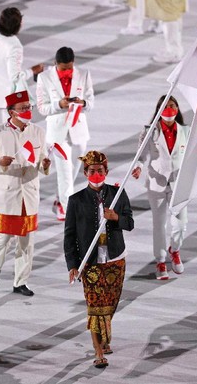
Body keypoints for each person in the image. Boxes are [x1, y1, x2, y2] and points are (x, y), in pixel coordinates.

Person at [64, 150, 134, 368]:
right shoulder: (75, 200)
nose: (96, 174)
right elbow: (70, 235)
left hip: (115, 258)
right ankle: (98, 351)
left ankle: (104, 338)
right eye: (92, 171)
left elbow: (130, 223)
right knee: (96, 307)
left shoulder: (118, 193)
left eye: (100, 170)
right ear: (85, 173)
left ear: (106, 171)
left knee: (110, 304)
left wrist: (116, 218)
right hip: (90, 261)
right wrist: (73, 265)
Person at [0, 91, 50, 297]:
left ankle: (20, 282)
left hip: (28, 194)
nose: (28, 111)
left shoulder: (38, 132)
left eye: (29, 107)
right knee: (3, 238)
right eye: (23, 108)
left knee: (27, 242)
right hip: (7, 194)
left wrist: (45, 165)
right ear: (11, 112)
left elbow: (42, 159)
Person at [132, 95, 188, 279]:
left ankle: (175, 249)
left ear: (178, 109)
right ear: (158, 110)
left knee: (180, 224)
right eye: (165, 106)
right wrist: (139, 168)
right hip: (157, 184)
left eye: (172, 105)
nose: (169, 109)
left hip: (179, 183)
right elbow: (140, 156)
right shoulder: (150, 131)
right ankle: (161, 261)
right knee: (159, 224)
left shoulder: (186, 132)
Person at [36, 46, 94, 221]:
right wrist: (58, 105)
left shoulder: (84, 75)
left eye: (69, 67)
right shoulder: (44, 77)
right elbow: (41, 108)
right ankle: (70, 213)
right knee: (65, 172)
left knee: (73, 170)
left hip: (78, 130)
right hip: (58, 133)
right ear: (55, 64)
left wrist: (82, 102)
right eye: (63, 68)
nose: (67, 71)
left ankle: (60, 200)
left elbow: (91, 102)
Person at [0, 7, 43, 128]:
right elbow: (15, 77)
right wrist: (33, 70)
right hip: (6, 102)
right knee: (10, 139)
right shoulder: (14, 46)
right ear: (18, 25)